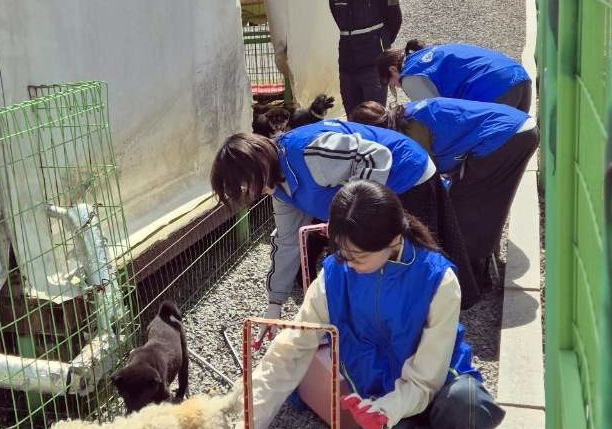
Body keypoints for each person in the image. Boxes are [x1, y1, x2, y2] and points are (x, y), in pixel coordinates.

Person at [227, 180, 504, 429]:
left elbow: (426, 378)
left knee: (468, 402)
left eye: (357, 256)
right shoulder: (334, 277)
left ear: (393, 241)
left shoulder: (439, 281)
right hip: (376, 398)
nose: (347, 263)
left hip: (437, 388)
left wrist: (386, 410)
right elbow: (289, 353)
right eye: (341, 253)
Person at [210, 120, 437, 319]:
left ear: (257, 165)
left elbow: (375, 156)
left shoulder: (308, 152)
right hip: (372, 199)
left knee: (404, 269)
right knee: (363, 268)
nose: (250, 193)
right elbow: (288, 241)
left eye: (245, 185)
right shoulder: (278, 188)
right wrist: (275, 302)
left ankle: (421, 320)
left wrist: (355, 213)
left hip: (407, 176)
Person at [349, 98, 539, 282]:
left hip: (505, 137)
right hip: (513, 129)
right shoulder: (404, 116)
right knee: (480, 204)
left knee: (466, 213)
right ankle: (480, 263)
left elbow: (428, 180)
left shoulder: (410, 130)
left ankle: (473, 277)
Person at [327, 0, 402, 115]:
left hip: (373, 67)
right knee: (353, 121)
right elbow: (339, 21)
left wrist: (380, 46)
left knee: (375, 120)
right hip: (346, 67)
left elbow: (394, 19)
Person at [378, 40, 532, 112]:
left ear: (393, 70)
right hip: (519, 75)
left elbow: (437, 114)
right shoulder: (429, 54)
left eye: (391, 83)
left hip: (494, 91)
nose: (397, 86)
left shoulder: (410, 77)